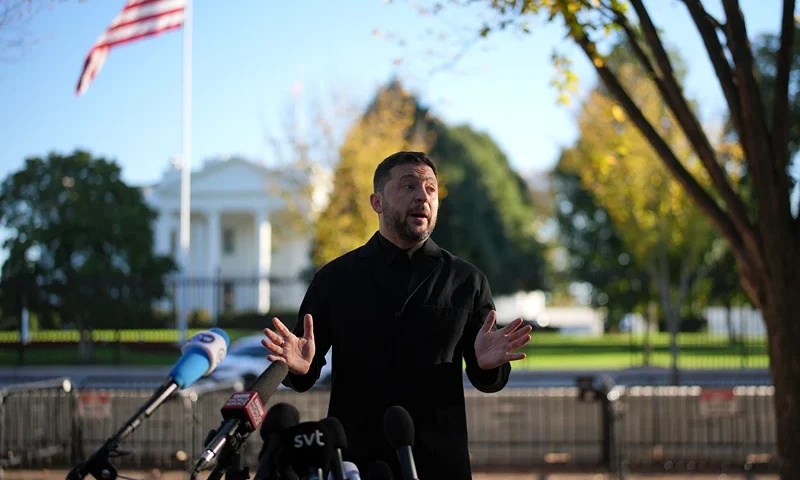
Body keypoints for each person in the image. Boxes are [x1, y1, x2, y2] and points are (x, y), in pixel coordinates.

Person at [261, 151, 532, 479]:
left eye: (431, 189)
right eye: (408, 187)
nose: (422, 196)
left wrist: (489, 367)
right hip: (355, 462)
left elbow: (486, 378)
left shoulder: (467, 281)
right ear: (377, 202)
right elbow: (305, 374)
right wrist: (299, 369)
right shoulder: (335, 279)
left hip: (441, 462)